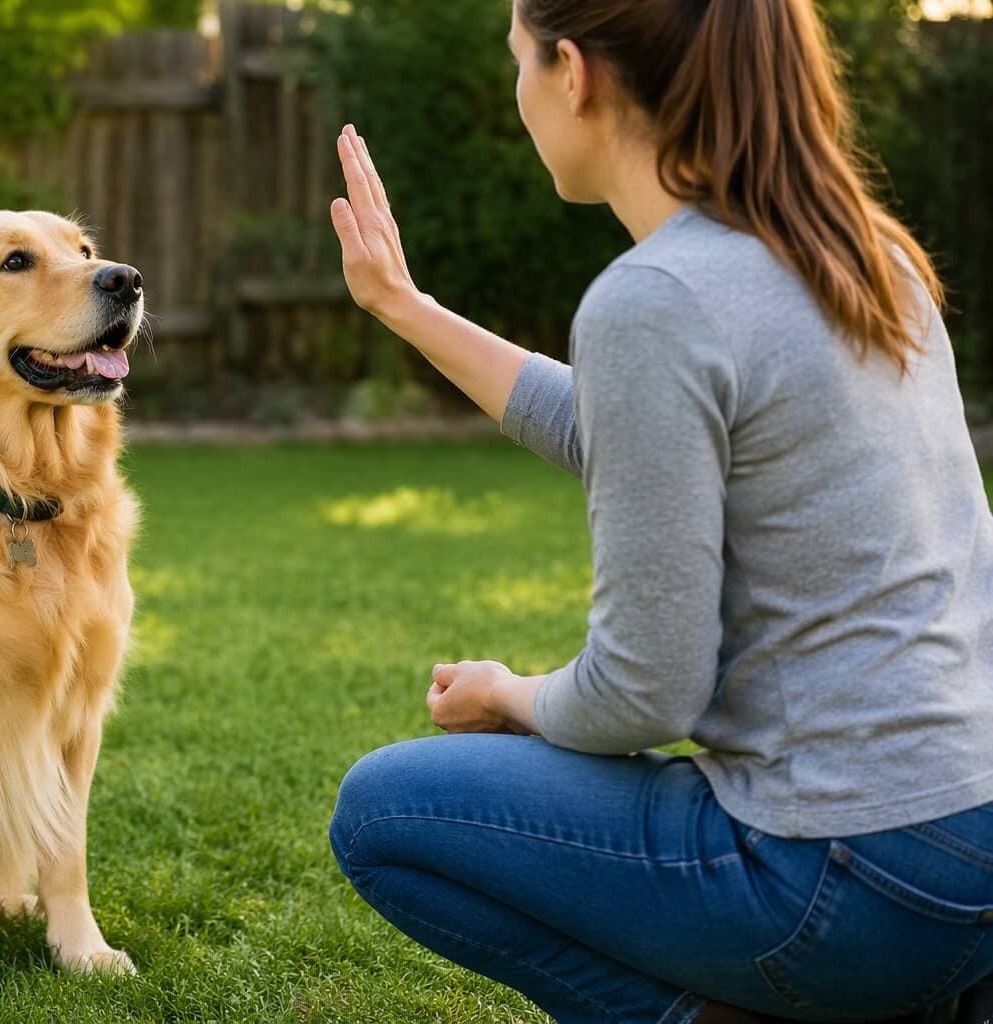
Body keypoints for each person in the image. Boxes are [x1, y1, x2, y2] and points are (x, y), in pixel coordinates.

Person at [325, 1, 993, 1021]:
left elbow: (645, 695)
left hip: (848, 878)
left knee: (385, 809)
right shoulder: (864, 253)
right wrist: (403, 305)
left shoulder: (659, 298)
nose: (519, 92)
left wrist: (513, 693)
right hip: (974, 845)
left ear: (575, 73)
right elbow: (618, 431)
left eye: (519, 62)